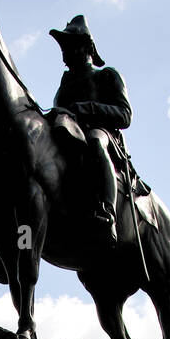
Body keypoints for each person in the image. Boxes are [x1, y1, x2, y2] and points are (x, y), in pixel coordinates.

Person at [48, 15, 133, 245]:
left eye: (69, 45)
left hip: (104, 135)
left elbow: (125, 115)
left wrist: (86, 108)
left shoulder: (106, 76)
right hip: (70, 138)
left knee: (95, 140)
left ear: (85, 47)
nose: (64, 53)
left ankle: (108, 212)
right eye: (63, 47)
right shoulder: (63, 88)